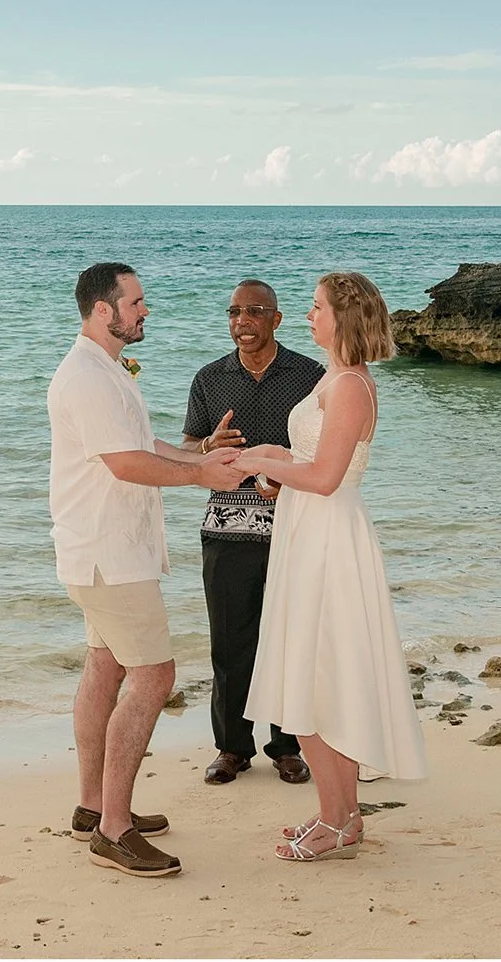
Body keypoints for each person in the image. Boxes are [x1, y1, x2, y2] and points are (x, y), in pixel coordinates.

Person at [48, 261, 248, 879]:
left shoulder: (109, 370)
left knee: (105, 666)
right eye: (135, 302)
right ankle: (114, 829)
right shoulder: (86, 377)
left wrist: (198, 451)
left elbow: (142, 443)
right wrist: (202, 476)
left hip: (106, 550)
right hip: (108, 554)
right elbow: (125, 464)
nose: (145, 311)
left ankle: (92, 807)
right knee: (155, 675)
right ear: (102, 310)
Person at [234, 271, 429, 862]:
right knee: (315, 677)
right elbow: (312, 461)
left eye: (316, 307)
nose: (309, 314)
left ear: (343, 317)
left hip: (327, 538)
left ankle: (336, 819)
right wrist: (268, 458)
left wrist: (257, 464)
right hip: (310, 530)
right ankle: (341, 818)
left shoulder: (348, 388)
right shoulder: (337, 379)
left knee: (316, 680)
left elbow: (322, 478)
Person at [182, 280, 322, 788]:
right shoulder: (209, 378)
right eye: (234, 312)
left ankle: (287, 747)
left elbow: (325, 451)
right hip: (224, 530)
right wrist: (205, 447)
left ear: (276, 320)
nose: (242, 320)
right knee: (230, 643)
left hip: (294, 527)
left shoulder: (310, 375)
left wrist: (291, 483)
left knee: (289, 640)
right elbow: (190, 445)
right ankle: (232, 748)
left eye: (255, 311)